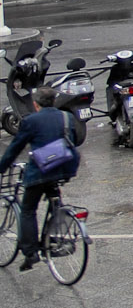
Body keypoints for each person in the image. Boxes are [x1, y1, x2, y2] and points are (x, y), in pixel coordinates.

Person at [0, 87, 81, 270]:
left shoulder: (31, 121)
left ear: (36, 104)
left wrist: (2, 167)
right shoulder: (65, 117)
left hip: (41, 170)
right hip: (64, 168)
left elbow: (15, 146)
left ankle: (31, 252)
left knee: (28, 210)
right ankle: (54, 234)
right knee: (55, 201)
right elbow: (74, 140)